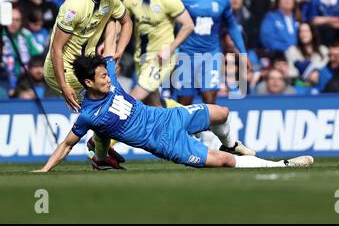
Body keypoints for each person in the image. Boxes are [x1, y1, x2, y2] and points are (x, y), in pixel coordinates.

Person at [34, 55, 314, 172]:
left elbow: (118, 35)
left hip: (167, 117)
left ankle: (231, 141)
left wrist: (116, 9)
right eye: (102, 78)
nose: (108, 79)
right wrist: (45, 170)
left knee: (223, 112)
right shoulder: (88, 115)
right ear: (88, 84)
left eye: (106, 75)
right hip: (164, 143)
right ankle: (280, 166)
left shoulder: (107, 75)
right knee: (225, 162)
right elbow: (66, 144)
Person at [43, 0, 133, 168]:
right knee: (110, 106)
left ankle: (101, 157)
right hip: (64, 69)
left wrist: (118, 51)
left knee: (108, 108)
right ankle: (99, 152)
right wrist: (64, 85)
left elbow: (126, 21)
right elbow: (56, 48)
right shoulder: (74, 6)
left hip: (88, 65)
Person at [123, 0, 194, 107]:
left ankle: (102, 131)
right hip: (140, 58)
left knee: (131, 101)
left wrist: (171, 48)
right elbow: (124, 25)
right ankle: (192, 122)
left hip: (161, 59)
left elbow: (188, 25)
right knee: (154, 105)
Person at [175, 0, 248, 105]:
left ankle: (208, 129)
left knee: (209, 101)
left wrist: (242, 52)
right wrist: (172, 49)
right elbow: (172, 25)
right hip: (187, 54)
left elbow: (232, 26)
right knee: (184, 103)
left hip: (211, 55)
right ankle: (184, 128)